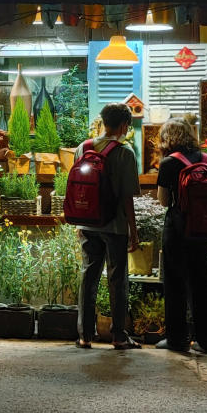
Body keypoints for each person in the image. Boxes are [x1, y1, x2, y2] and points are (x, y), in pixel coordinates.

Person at [75, 103, 141, 350]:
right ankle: (119, 336)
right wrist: (133, 231)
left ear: (102, 122)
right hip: (114, 226)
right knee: (117, 279)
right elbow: (127, 197)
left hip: (87, 223)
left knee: (88, 277)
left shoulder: (84, 147)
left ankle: (84, 335)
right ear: (124, 125)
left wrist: (78, 221)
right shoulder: (125, 152)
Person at [156, 118, 207, 354]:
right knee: (202, 283)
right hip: (203, 228)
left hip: (178, 228)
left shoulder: (169, 163)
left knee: (175, 284)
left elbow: (163, 201)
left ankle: (177, 339)